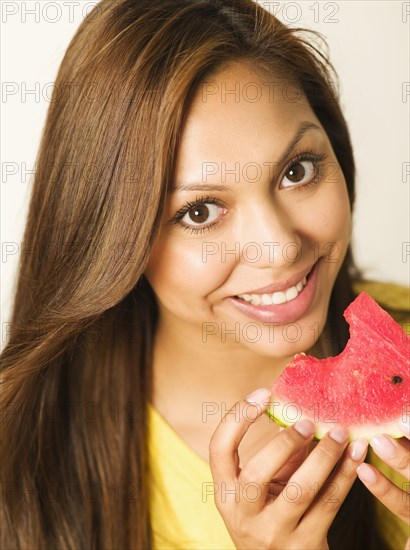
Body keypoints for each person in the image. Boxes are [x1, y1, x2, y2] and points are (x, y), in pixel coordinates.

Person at [1, 1, 408, 549]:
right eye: (198, 212)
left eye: (297, 170)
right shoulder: (23, 462)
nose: (279, 247)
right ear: (113, 240)